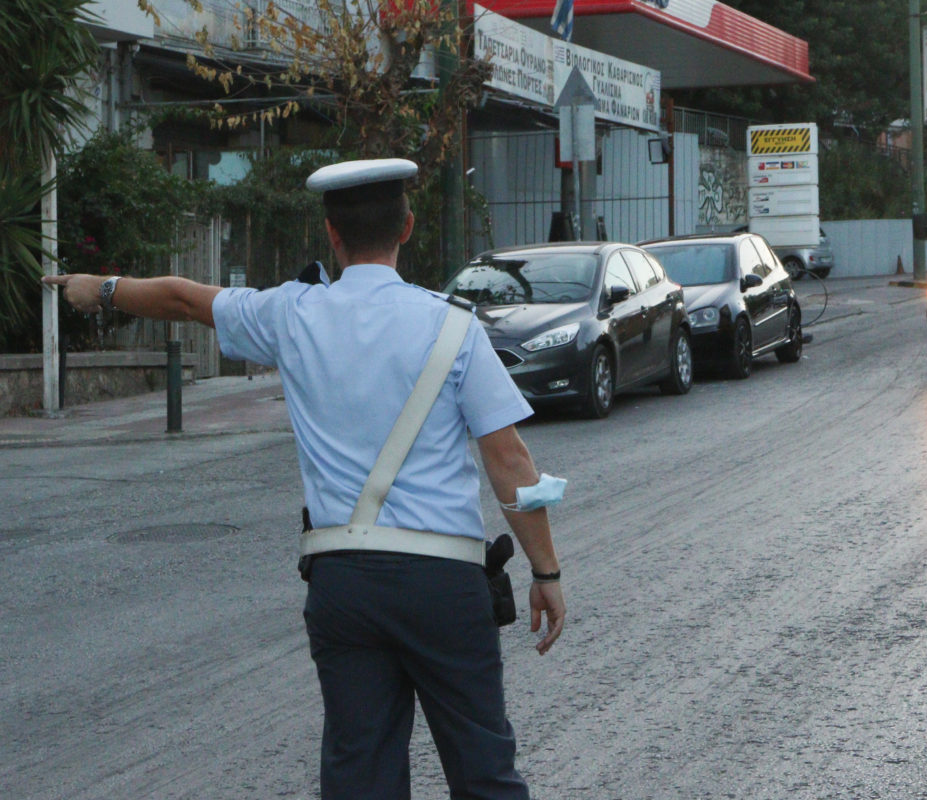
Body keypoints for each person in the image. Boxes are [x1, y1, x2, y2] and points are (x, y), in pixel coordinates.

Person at [43, 158, 566, 800]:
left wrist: (98, 286)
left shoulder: (291, 314)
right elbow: (509, 459)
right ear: (406, 227)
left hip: (342, 581)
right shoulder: (453, 325)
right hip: (443, 583)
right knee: (484, 770)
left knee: (359, 772)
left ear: (331, 234)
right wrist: (546, 571)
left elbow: (182, 297)